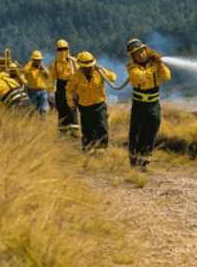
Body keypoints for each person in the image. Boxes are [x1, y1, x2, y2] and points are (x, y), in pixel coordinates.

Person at [125, 39, 171, 172]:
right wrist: (156, 67)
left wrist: (161, 65)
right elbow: (142, 78)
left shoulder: (155, 64)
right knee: (136, 133)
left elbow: (167, 76)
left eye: (142, 51)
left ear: (146, 50)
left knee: (151, 132)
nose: (141, 55)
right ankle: (134, 162)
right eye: (137, 53)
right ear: (133, 56)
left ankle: (144, 163)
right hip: (139, 105)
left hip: (154, 103)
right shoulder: (132, 69)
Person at [66, 51, 117, 153]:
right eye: (85, 67)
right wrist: (71, 104)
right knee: (87, 130)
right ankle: (88, 151)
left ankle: (101, 151)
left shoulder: (99, 71)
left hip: (100, 105)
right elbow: (69, 91)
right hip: (85, 107)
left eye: (89, 66)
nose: (88, 69)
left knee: (102, 127)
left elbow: (113, 78)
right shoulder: (76, 75)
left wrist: (103, 70)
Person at [48, 40, 80, 137]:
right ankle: (63, 131)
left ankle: (74, 131)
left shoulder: (73, 61)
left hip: (72, 86)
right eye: (60, 49)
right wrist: (50, 91)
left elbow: (79, 73)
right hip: (60, 86)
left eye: (64, 49)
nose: (62, 51)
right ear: (57, 50)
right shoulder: (54, 63)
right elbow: (51, 78)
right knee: (61, 108)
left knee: (72, 107)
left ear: (68, 49)